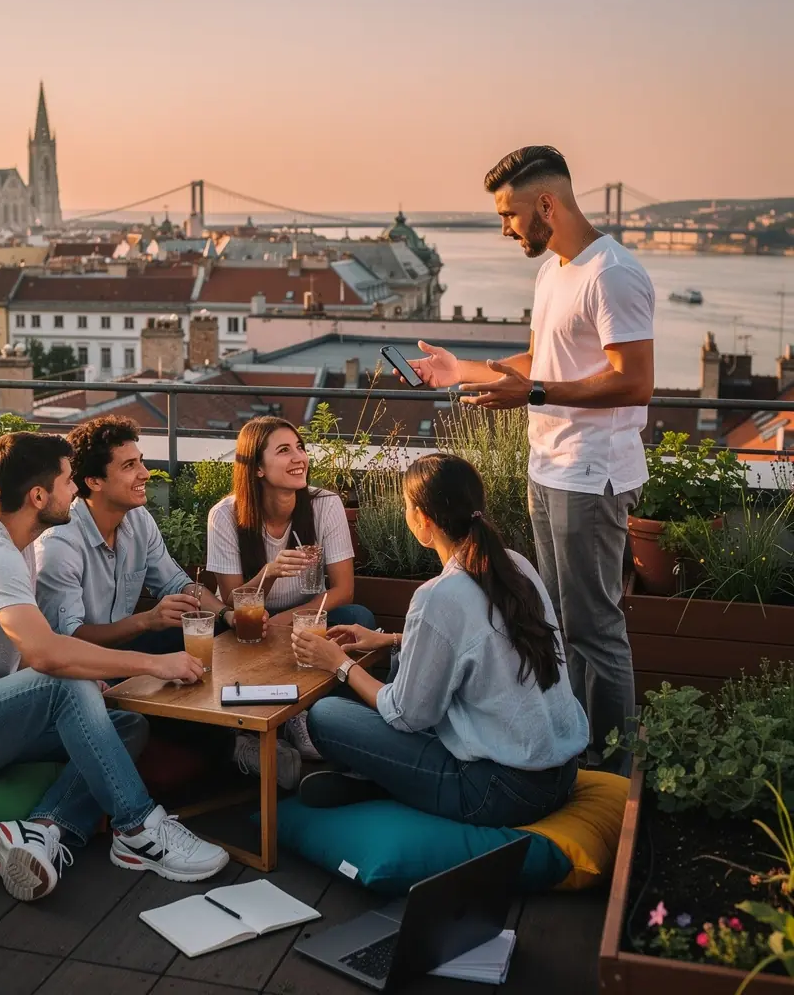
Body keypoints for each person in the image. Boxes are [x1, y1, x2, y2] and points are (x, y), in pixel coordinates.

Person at [0, 432, 230, 903]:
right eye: (68, 482)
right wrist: (152, 662)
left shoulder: (18, 542)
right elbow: (47, 655)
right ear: (39, 496)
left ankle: (41, 831)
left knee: (126, 724)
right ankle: (138, 829)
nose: (74, 494)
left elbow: (26, 653)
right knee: (67, 680)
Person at [399, 147, 654, 775]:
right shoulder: (555, 272)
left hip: (591, 475)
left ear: (547, 203)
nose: (505, 229)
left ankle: (610, 770)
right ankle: (574, 743)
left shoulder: (612, 274)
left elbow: (635, 382)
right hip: (551, 467)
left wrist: (534, 393)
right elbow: (541, 364)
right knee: (561, 620)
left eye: (510, 215)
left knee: (596, 630)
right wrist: (459, 370)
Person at [292, 454, 588, 826]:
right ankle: (384, 781)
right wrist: (392, 640)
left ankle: (385, 782)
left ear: (423, 521)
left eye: (405, 506)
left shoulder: (439, 595)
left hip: (500, 791)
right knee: (402, 662)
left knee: (325, 715)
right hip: (560, 773)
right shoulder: (515, 564)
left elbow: (406, 715)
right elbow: (489, 646)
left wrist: (339, 663)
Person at [206, 415, 376, 777]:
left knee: (359, 618)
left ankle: (319, 721)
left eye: (300, 447)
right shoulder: (225, 516)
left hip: (303, 618)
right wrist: (269, 573)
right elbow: (235, 606)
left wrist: (289, 623)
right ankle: (249, 736)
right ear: (257, 469)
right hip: (249, 628)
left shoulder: (323, 504)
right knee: (230, 637)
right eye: (284, 450)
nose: (299, 457)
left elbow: (343, 589)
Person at [35, 415, 245, 656]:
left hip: (126, 649)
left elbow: (175, 583)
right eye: (129, 466)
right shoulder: (59, 546)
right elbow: (68, 638)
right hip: (81, 665)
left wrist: (226, 615)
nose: (145, 473)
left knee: (214, 632)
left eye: (140, 462)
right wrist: (146, 621)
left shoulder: (138, 519)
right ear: (94, 481)